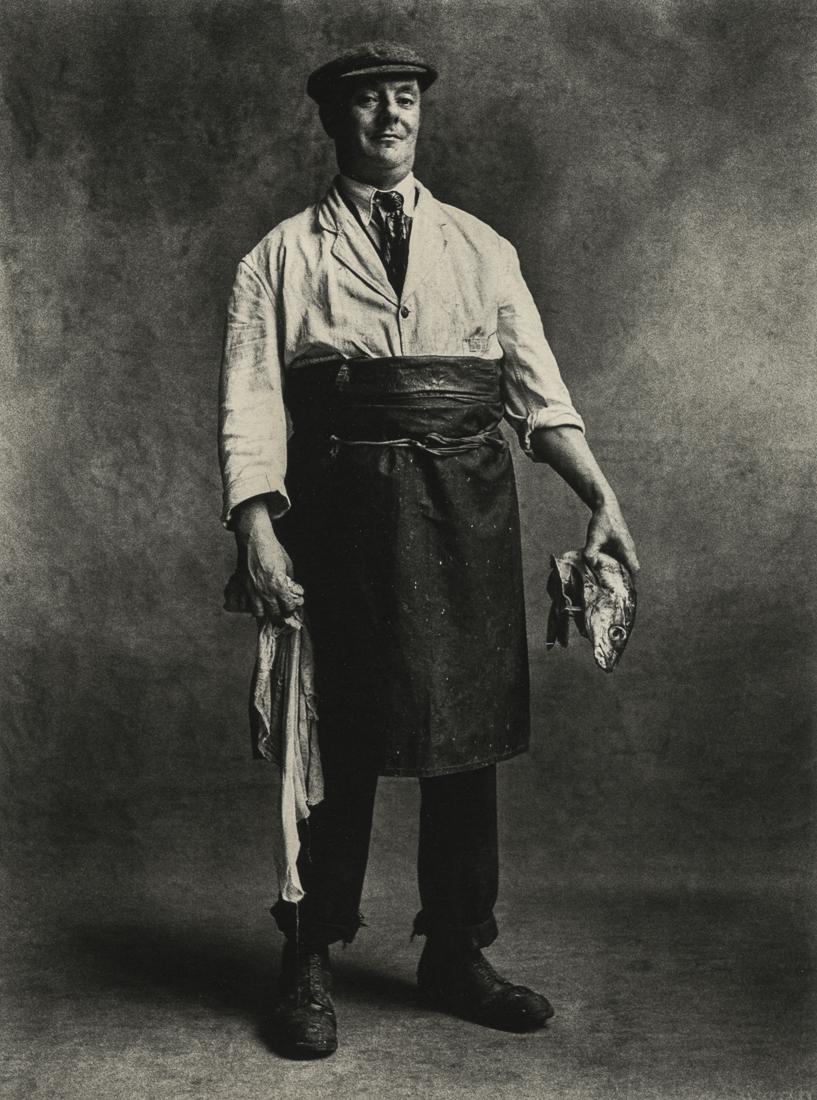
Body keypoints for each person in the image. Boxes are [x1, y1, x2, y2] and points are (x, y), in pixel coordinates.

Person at [218, 42, 639, 1059]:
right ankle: (310, 951)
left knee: (463, 743)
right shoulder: (279, 257)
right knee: (339, 742)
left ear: (421, 114)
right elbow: (250, 408)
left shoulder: (482, 247)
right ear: (332, 120)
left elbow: (539, 397)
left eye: (403, 99)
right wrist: (257, 528)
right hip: (343, 521)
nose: (389, 118)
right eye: (367, 103)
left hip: (468, 513)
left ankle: (454, 947)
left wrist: (603, 497)